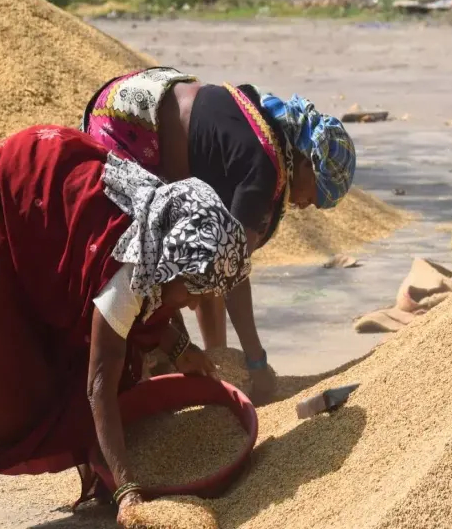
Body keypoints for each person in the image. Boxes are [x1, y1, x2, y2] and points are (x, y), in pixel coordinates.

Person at [0, 125, 250, 529]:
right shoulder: (130, 271)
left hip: (56, 192)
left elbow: (149, 309)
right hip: (5, 191)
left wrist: (180, 350)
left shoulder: (161, 239)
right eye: (192, 292)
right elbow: (98, 384)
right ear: (170, 269)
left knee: (104, 350)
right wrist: (129, 491)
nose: (194, 304)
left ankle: (98, 461)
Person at [81, 67, 357, 403]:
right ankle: (130, 375)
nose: (306, 205)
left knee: (198, 264)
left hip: (140, 95)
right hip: (130, 128)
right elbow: (232, 270)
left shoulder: (267, 125)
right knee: (141, 271)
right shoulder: (263, 168)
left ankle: (201, 360)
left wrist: (218, 357)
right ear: (306, 164)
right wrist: (256, 362)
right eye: (315, 195)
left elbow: (216, 260)